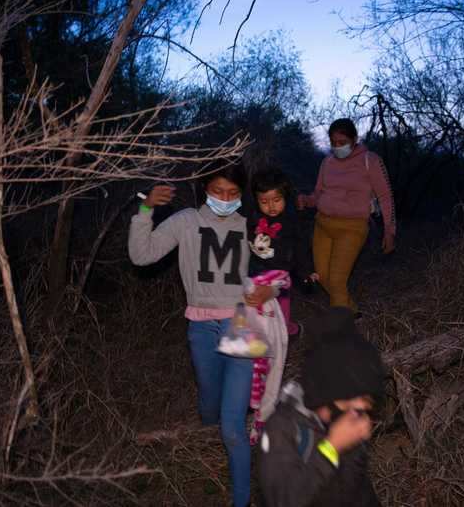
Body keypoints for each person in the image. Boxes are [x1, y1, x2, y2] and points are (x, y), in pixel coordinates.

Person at [128, 164, 272, 507]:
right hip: (200, 326)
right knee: (209, 404)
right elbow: (141, 254)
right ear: (204, 188)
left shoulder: (249, 226)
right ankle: (207, 448)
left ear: (242, 195)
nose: (225, 199)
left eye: (233, 193)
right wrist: (146, 209)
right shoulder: (185, 221)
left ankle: (242, 500)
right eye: (218, 191)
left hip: (240, 324)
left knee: (233, 424)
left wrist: (270, 287)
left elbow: (277, 265)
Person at [257, 307, 384, 507]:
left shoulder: (347, 423)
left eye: (367, 403)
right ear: (328, 392)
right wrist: (331, 448)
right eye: (354, 399)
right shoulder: (281, 429)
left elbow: (358, 493)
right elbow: (282, 501)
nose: (361, 410)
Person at [247, 168, 318, 444]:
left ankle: (265, 408)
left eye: (276, 200)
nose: (270, 206)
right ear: (256, 200)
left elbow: (301, 250)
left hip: (280, 284)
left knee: (279, 336)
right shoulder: (251, 219)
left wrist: (306, 271)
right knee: (258, 339)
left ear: (285, 198)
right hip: (253, 282)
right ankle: (254, 395)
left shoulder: (292, 222)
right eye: (264, 201)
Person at [296, 118, 396, 312]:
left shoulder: (370, 160)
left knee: (337, 280)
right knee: (324, 277)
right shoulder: (327, 162)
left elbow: (385, 196)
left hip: (352, 227)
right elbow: (318, 193)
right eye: (333, 143)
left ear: (355, 139)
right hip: (322, 225)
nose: (337, 147)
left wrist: (389, 232)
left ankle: (341, 329)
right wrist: (307, 201)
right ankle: (352, 311)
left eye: (342, 143)